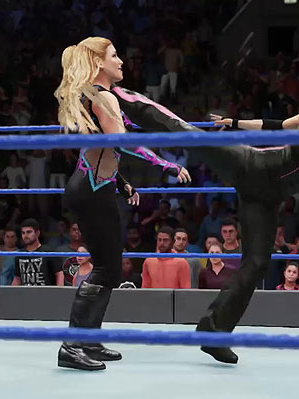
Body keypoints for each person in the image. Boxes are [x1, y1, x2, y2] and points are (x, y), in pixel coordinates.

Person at [111, 76, 299, 364]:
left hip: (266, 198)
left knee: (257, 264)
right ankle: (122, 97)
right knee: (190, 135)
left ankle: (213, 332)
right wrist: (235, 123)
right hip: (251, 166)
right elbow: (278, 125)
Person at [54, 37, 191, 371]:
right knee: (105, 268)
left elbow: (101, 150)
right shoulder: (103, 97)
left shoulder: (95, 95)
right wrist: (165, 163)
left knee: (110, 267)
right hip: (90, 189)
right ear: (99, 62)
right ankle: (72, 345)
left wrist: (122, 182)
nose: (121, 62)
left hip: (95, 185)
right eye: (114, 56)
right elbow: (122, 143)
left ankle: (88, 340)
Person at [12, 218, 63, 286]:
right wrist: (11, 292)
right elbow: (17, 278)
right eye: (23, 233)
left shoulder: (48, 252)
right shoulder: (20, 254)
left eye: (29, 232)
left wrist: (60, 290)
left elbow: (59, 274)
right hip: (26, 292)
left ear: (37, 233)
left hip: (46, 291)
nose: (25, 235)